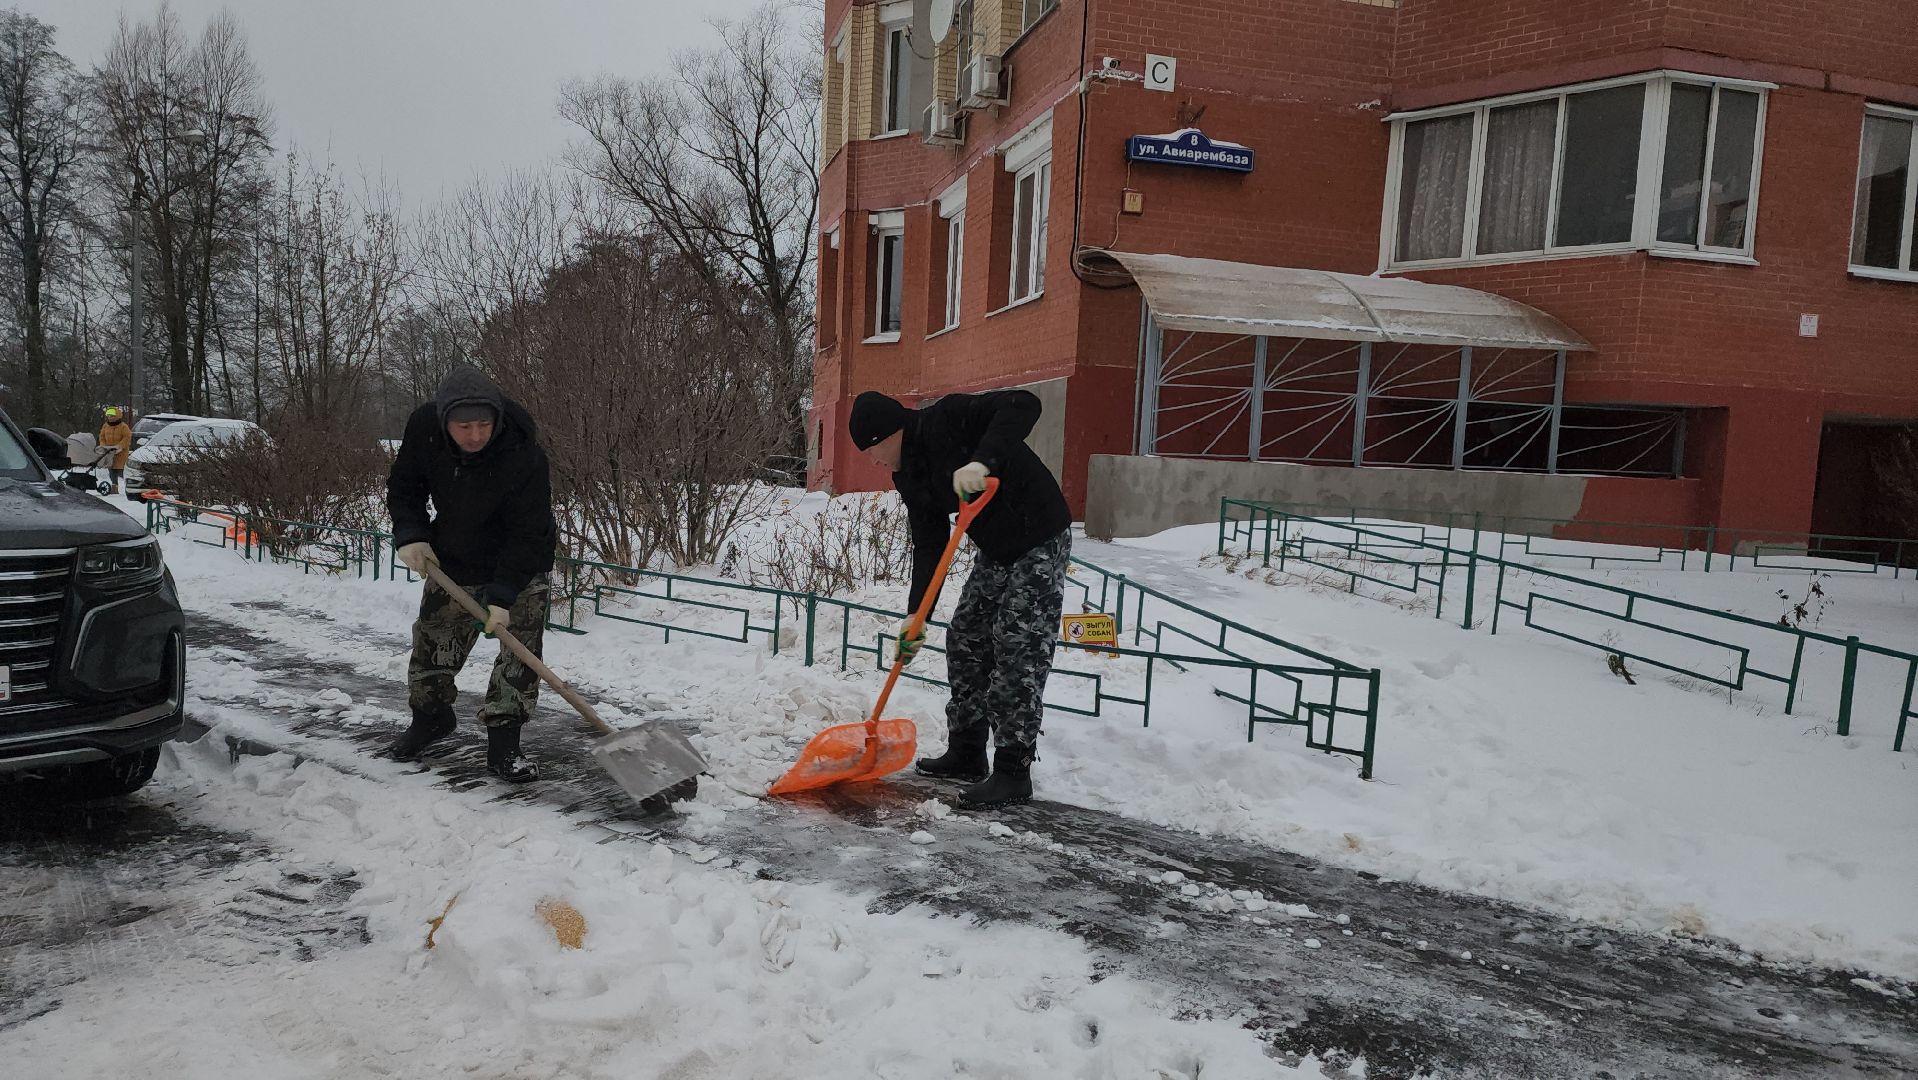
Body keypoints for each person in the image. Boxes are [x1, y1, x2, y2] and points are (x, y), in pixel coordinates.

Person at [847, 389, 1072, 808]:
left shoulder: (949, 418)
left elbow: (1024, 404)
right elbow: (929, 544)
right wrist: (916, 615)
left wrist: (982, 462)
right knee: (966, 637)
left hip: (1039, 534)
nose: (873, 461)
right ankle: (967, 751)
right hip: (997, 549)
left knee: (1018, 648)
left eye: (872, 450)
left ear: (890, 434)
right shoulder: (908, 475)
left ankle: (1013, 770)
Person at [385, 364, 557, 782]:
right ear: (445, 420)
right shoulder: (424, 430)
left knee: (519, 655)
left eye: (484, 425)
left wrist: (503, 595)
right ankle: (431, 719)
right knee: (433, 643)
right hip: (455, 556)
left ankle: (504, 744)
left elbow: (529, 531)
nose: (475, 435)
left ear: (497, 419)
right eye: (464, 427)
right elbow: (405, 486)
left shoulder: (523, 452)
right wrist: (411, 533)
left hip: (521, 563)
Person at [97, 407, 132, 495]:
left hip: (121, 453)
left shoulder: (123, 426)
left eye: (112, 416)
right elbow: (102, 436)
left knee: (121, 471)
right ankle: (114, 487)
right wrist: (103, 445)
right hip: (109, 452)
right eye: (109, 416)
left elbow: (127, 437)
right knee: (111, 470)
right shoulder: (105, 426)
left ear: (117, 416)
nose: (110, 418)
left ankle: (129, 487)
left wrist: (120, 446)